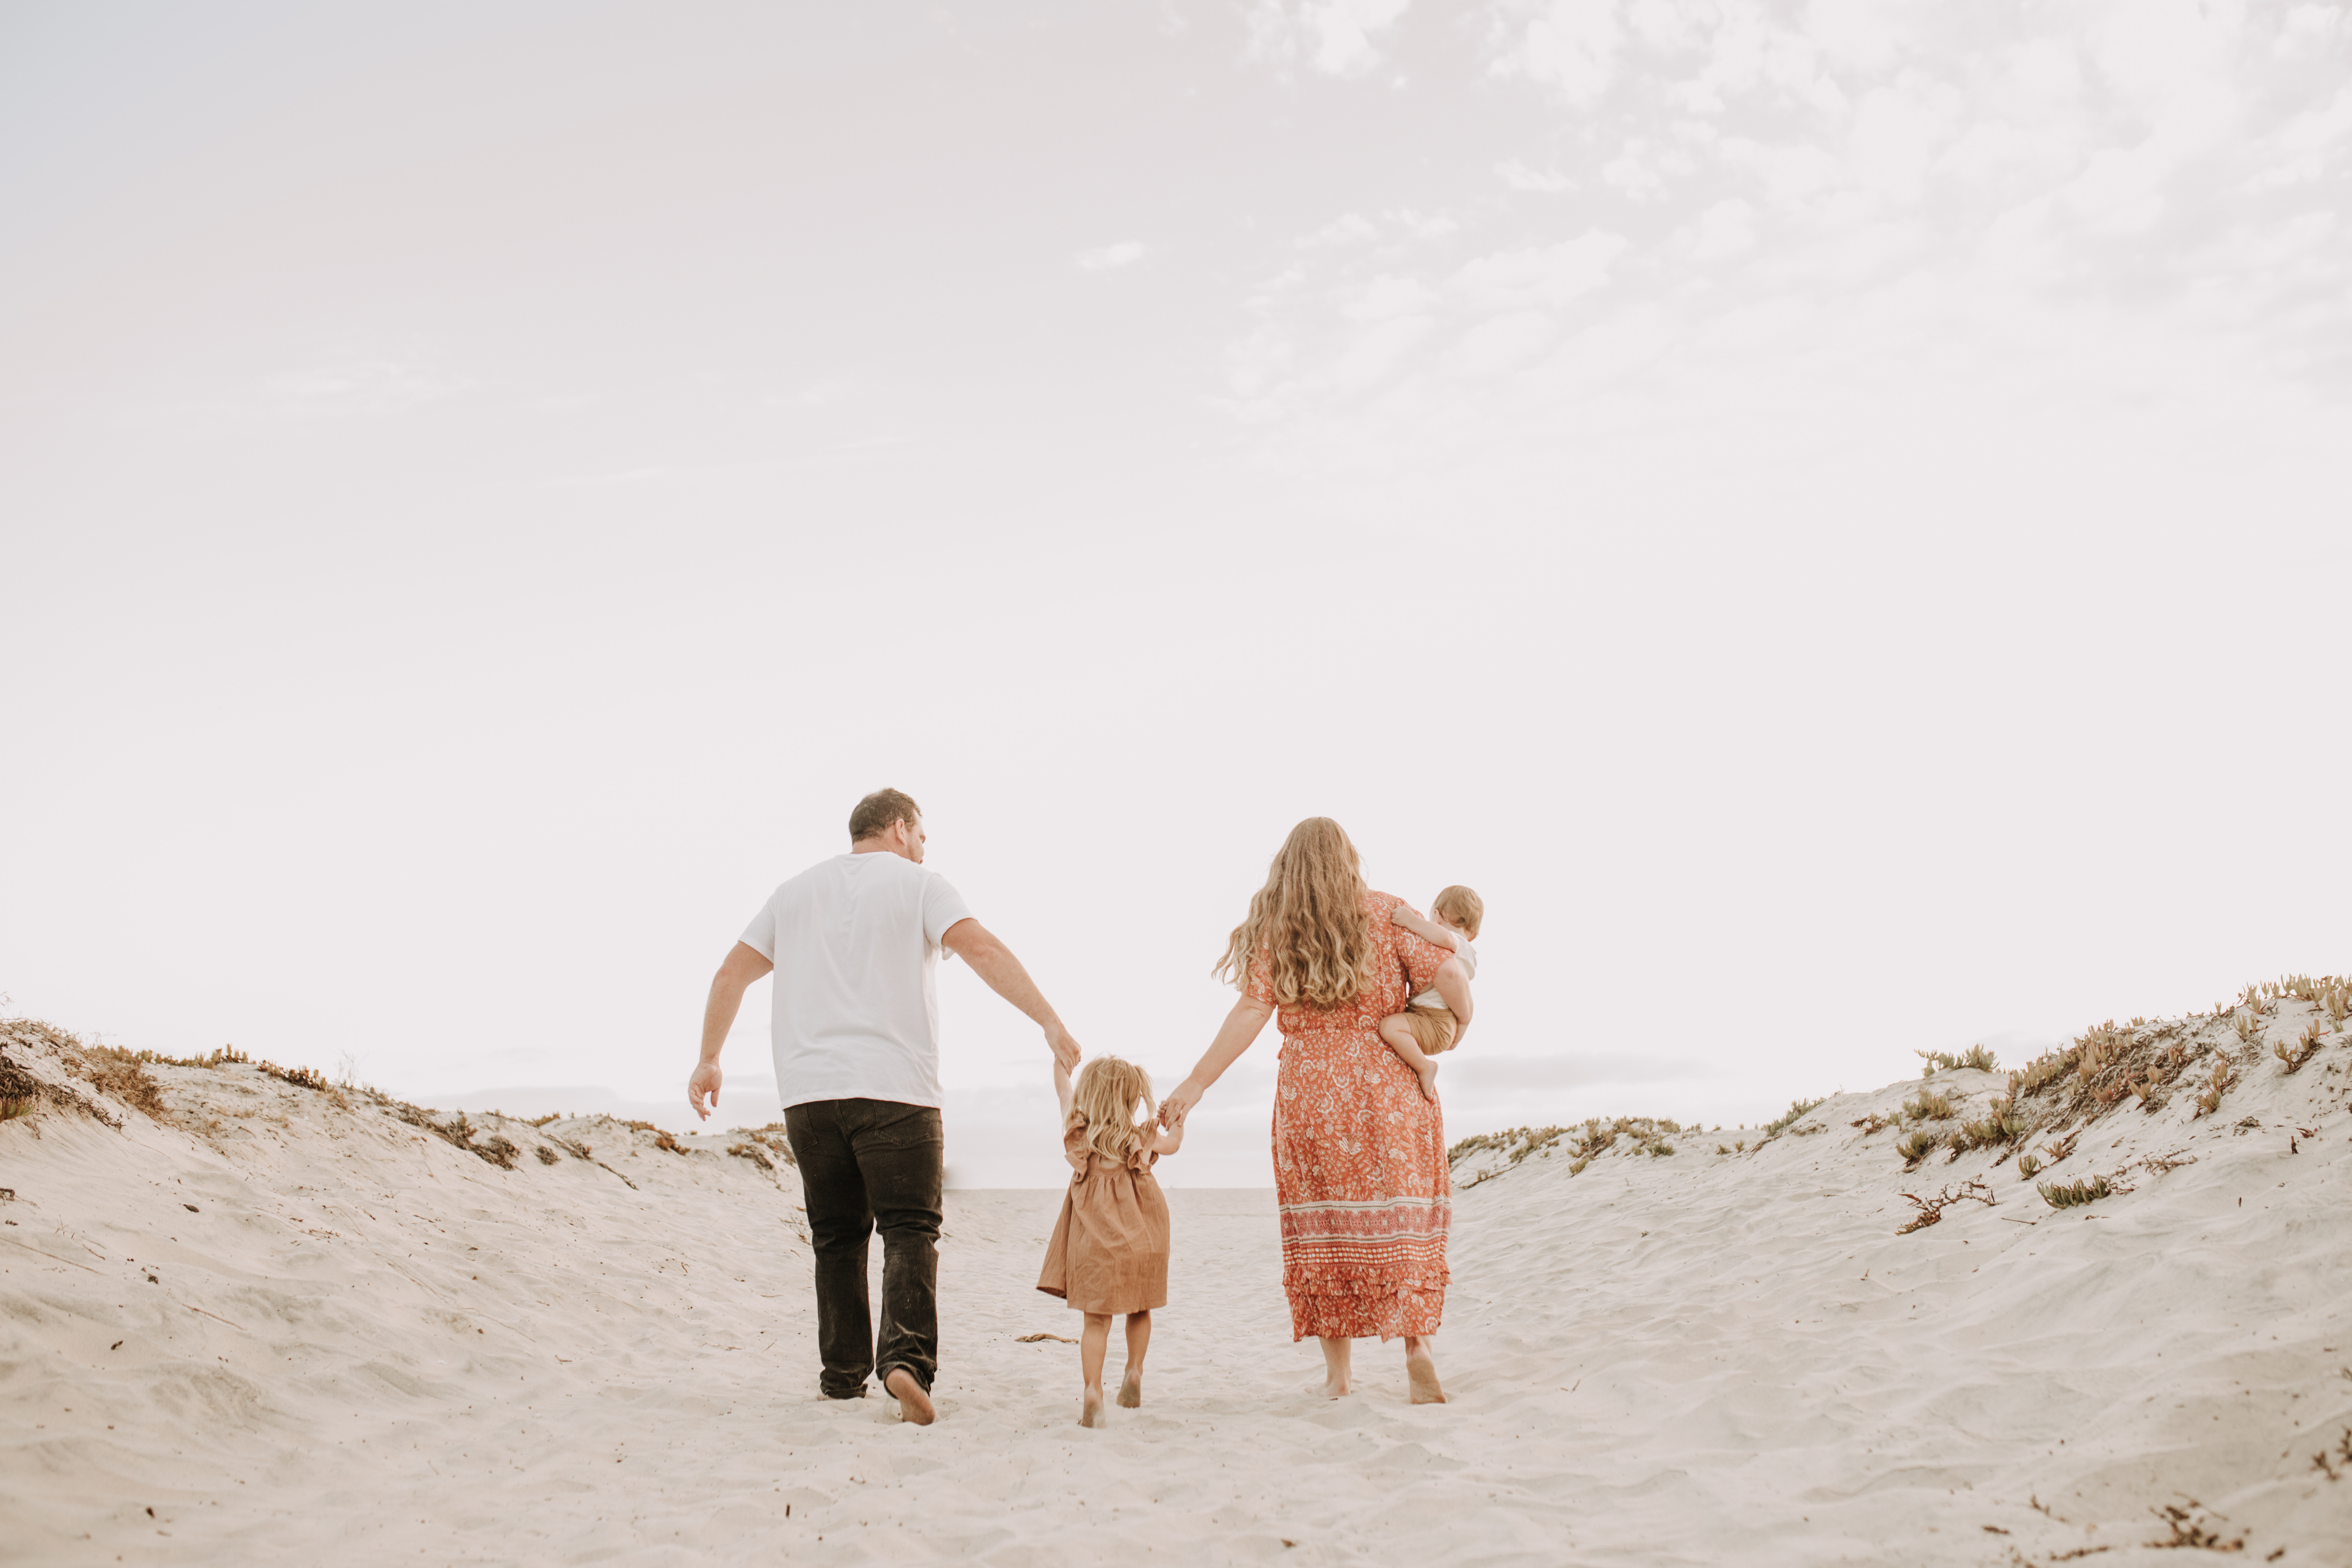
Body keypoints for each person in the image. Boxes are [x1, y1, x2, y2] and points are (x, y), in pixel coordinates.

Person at [690, 787, 1082, 1426]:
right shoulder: (919, 885)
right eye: (923, 837)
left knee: (837, 1237)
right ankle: (904, 1362)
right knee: (909, 1229)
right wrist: (1048, 1020)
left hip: (810, 1096)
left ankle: (843, 1378)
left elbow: (731, 973)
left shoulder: (792, 893)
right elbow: (981, 948)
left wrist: (709, 1059)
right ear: (900, 829)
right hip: (897, 1090)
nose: (926, 850)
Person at [1159, 818, 1472, 1405]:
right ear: (1349, 860)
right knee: (1401, 1219)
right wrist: (1459, 1027)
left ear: (1289, 868)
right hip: (1387, 1084)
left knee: (1325, 1228)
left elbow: (1251, 1015)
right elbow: (1450, 973)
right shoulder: (1388, 912)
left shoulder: (1280, 931)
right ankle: (1417, 1347)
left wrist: (1195, 1086)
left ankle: (1339, 1378)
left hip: (1310, 1090)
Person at [1036, 1054, 1181, 1428]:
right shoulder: (1143, 1136)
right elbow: (1174, 1144)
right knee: (1140, 1307)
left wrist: (1059, 1060)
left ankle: (1092, 1390)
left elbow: (1062, 1089)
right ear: (1132, 1098)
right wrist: (1176, 1121)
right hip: (1143, 1236)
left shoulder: (1079, 1133)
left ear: (1090, 1094)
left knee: (1096, 1323)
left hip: (1093, 1242)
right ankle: (1134, 1371)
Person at [1376, 886, 1484, 1102]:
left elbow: (1445, 937)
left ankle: (1425, 1067)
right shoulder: (1468, 953)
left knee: (1388, 1027)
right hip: (1438, 1020)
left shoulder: (1456, 943)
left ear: (1436, 916)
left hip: (1434, 1020)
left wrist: (1411, 921)